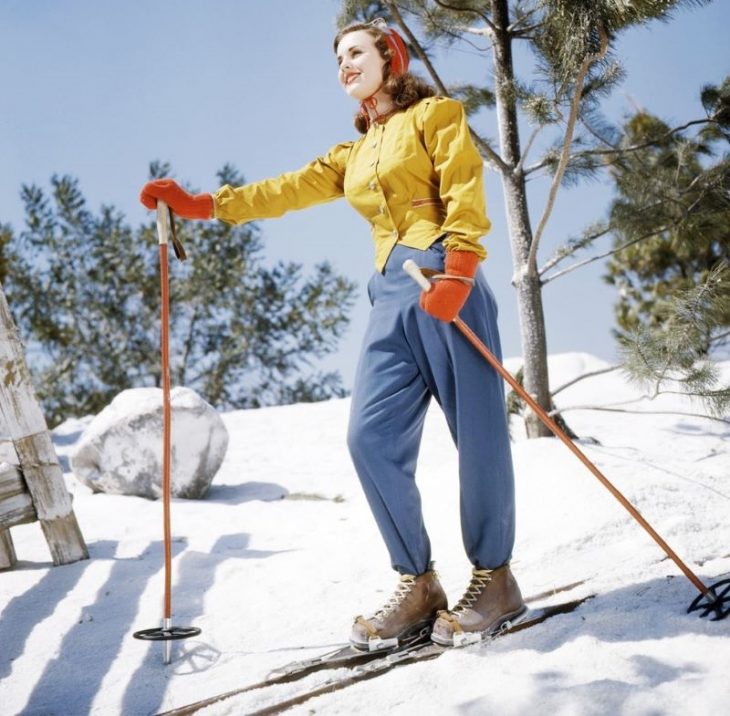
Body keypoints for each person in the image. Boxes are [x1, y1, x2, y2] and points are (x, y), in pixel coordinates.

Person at [140, 18, 524, 650]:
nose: (344, 65)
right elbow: (284, 191)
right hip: (389, 295)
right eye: (338, 58)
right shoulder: (351, 154)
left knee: (478, 434)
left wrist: (459, 265)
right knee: (368, 437)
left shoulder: (436, 117)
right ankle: (419, 583)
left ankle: (496, 578)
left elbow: (462, 185)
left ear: (389, 59)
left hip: (442, 280)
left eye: (356, 53)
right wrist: (201, 205)